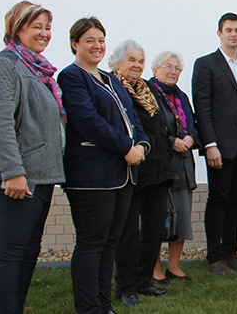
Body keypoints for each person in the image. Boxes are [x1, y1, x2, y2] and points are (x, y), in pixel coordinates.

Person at [59, 17, 149, 314]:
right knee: (92, 243)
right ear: (75, 44)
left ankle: (103, 304)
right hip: (92, 176)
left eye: (100, 40)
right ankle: (88, 307)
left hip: (123, 175)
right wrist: (126, 148)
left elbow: (132, 119)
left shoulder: (110, 79)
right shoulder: (71, 77)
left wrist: (141, 145)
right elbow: (89, 121)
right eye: (89, 40)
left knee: (110, 242)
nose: (97, 46)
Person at [0, 1, 65, 314]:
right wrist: (12, 172)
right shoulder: (4, 65)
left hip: (39, 176)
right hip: (16, 180)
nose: (44, 33)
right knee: (9, 255)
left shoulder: (37, 68)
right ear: (16, 29)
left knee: (28, 252)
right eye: (36, 27)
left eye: (47, 27)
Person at [192, 12, 237, 275]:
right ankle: (215, 258)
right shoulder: (206, 64)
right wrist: (209, 144)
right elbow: (202, 107)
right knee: (218, 198)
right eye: (228, 30)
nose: (233, 34)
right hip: (220, 144)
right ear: (219, 33)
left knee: (235, 199)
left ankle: (230, 253)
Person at [110, 40, 177, 306]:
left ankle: (144, 280)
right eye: (131, 60)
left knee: (154, 228)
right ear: (117, 63)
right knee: (128, 232)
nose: (137, 65)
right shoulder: (113, 88)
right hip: (132, 171)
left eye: (140, 60)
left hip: (158, 170)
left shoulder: (147, 89)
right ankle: (126, 287)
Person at [150, 51, 199, 284]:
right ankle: (154, 268)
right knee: (157, 219)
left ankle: (174, 266)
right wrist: (172, 141)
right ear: (155, 70)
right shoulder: (149, 94)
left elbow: (193, 125)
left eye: (177, 68)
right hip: (160, 167)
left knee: (182, 218)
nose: (173, 71)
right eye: (167, 66)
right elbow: (150, 127)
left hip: (183, 167)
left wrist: (191, 138)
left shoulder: (181, 96)